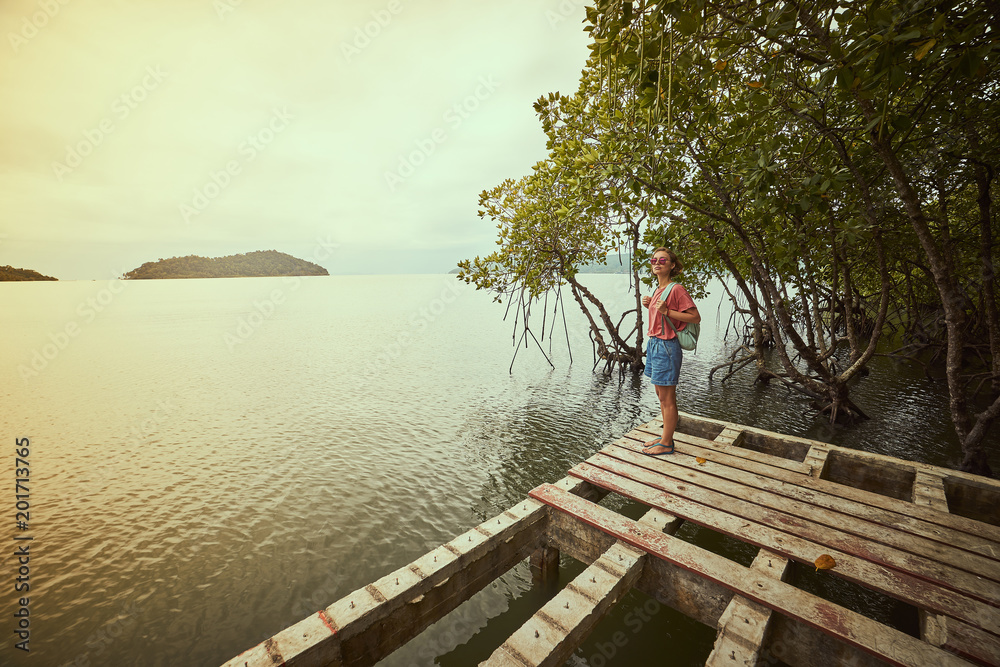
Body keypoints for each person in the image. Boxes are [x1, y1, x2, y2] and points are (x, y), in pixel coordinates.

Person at [641, 247, 700, 456]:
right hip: (655, 344)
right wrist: (651, 304)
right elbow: (661, 315)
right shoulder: (659, 289)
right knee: (660, 394)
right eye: (653, 260)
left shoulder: (677, 289)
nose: (657, 263)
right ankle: (665, 437)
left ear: (672, 265)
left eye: (662, 260)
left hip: (667, 346)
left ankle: (666, 444)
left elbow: (695, 317)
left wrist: (667, 311)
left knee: (668, 398)